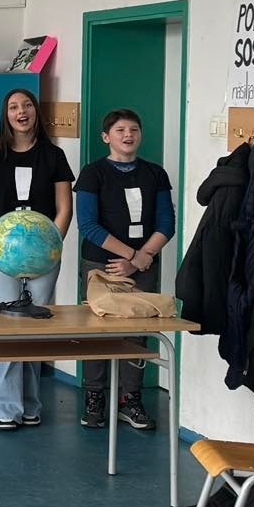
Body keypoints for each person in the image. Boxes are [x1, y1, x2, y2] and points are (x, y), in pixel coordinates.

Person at [0, 87, 74, 430]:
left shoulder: (54, 155)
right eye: (14, 106)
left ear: (35, 112)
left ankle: (30, 404)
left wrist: (49, 247)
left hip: (44, 252)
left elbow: (64, 208)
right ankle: (5, 407)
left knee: (35, 325)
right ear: (6, 115)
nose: (22, 111)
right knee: (8, 324)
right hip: (1, 252)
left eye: (28, 105)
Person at [74, 107, 173, 430]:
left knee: (137, 332)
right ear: (106, 137)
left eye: (133, 129)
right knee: (96, 331)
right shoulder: (93, 173)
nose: (128, 135)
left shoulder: (155, 173)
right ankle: (94, 397)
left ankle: (130, 400)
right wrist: (131, 256)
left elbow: (166, 223)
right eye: (120, 130)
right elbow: (88, 225)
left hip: (143, 265)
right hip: (101, 264)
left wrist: (142, 258)